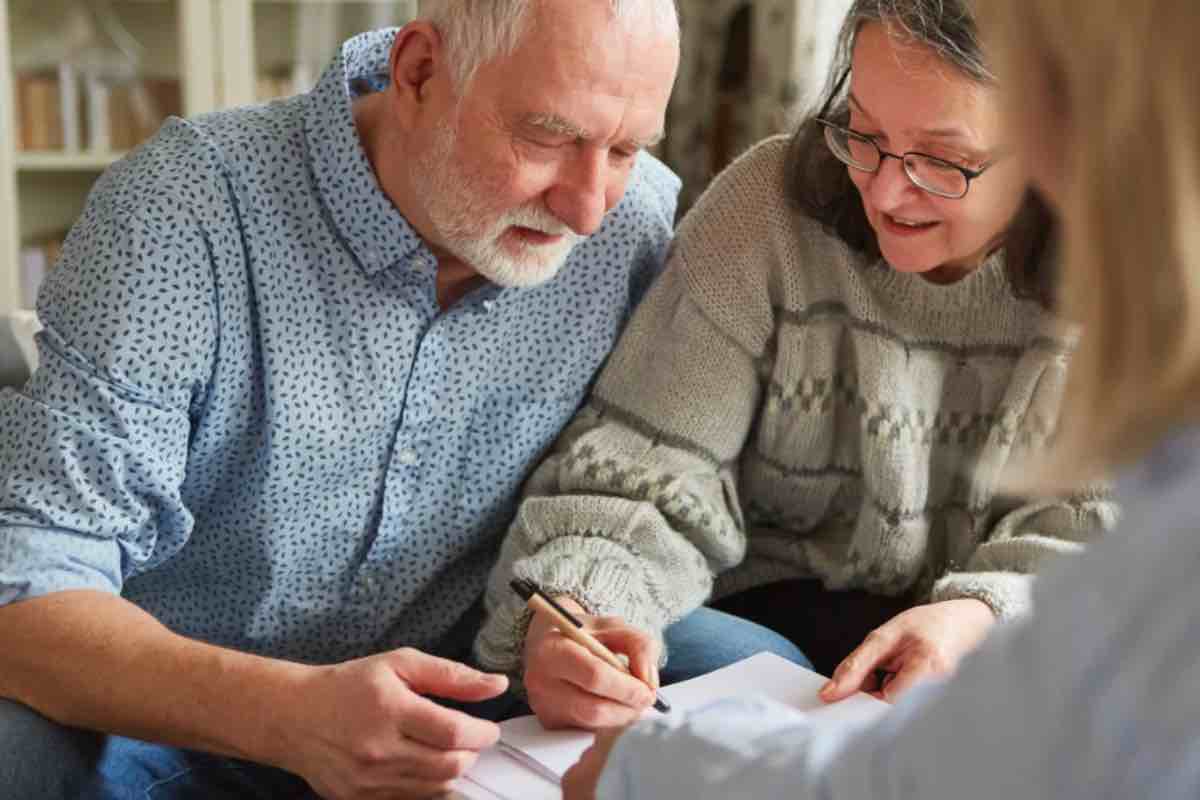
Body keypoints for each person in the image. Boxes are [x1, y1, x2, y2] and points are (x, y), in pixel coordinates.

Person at [0, 1, 686, 798]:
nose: (587, 207)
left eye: (628, 149)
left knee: (736, 666)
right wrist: (288, 714)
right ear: (420, 71)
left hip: (467, 710)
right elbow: (27, 594)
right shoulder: (184, 207)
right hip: (179, 717)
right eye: (547, 136)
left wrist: (573, 624)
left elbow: (619, 484)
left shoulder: (631, 232)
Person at [561, 0, 1200, 796]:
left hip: (979, 650)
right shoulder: (764, 208)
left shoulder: (1127, 270)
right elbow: (643, 457)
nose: (887, 193)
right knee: (713, 660)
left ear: (1044, 143)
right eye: (863, 133)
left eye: (944, 158)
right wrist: (582, 604)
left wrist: (980, 616)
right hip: (753, 620)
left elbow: (1094, 540)